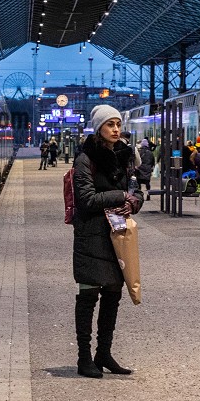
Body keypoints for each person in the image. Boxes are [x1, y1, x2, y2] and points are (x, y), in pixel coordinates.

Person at [71, 105, 141, 379]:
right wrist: (121, 195)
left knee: (113, 294)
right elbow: (86, 200)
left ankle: (104, 353)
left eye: (118, 124)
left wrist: (133, 201)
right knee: (88, 295)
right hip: (91, 235)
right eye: (110, 124)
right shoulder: (85, 159)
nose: (116, 129)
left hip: (117, 234)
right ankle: (83, 358)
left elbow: (135, 192)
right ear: (98, 127)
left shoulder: (124, 156)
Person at [135, 135, 156, 202]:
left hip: (140, 169)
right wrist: (152, 167)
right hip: (147, 169)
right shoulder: (150, 153)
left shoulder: (139, 152)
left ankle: (140, 196)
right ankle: (148, 194)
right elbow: (153, 161)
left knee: (139, 183)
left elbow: (136, 160)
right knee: (147, 183)